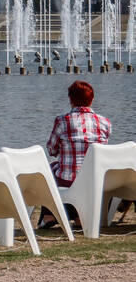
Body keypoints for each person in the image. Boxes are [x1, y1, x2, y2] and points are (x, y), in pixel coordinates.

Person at [40, 80, 111, 229]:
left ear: (70, 100)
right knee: (76, 176)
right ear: (92, 99)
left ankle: (49, 216)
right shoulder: (104, 122)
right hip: (96, 179)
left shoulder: (63, 121)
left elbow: (51, 150)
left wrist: (64, 150)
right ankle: (78, 217)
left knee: (51, 171)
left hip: (69, 180)